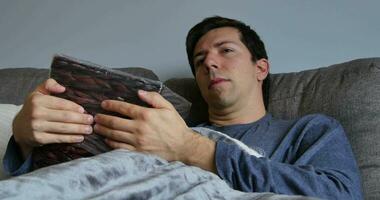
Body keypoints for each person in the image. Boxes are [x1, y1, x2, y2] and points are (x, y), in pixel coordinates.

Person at [3, 16, 362, 199]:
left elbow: (340, 194)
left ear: (261, 67)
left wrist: (193, 149)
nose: (210, 64)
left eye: (226, 50)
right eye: (200, 59)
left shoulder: (309, 130)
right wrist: (23, 140)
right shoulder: (153, 126)